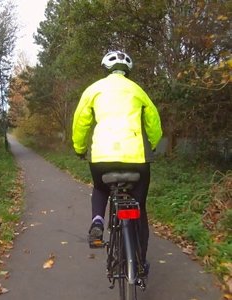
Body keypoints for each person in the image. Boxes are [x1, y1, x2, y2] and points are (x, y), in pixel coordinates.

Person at [72, 50, 162, 273]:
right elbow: (154, 121)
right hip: (137, 159)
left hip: (102, 157)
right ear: (127, 71)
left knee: (100, 187)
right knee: (139, 208)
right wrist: (152, 143)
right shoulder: (137, 90)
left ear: (106, 69)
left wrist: (79, 148)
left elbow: (80, 122)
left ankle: (97, 221)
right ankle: (139, 262)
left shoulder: (93, 89)